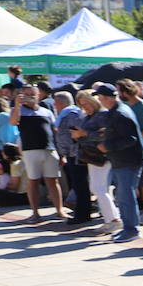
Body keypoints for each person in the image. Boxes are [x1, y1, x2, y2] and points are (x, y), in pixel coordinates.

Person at [93, 83, 143, 242]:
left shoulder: (120, 113)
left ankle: (131, 230)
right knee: (123, 195)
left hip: (128, 161)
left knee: (125, 196)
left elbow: (130, 139)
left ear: (107, 98)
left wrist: (107, 145)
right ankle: (128, 228)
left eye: (100, 98)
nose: (100, 101)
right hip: (122, 160)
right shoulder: (117, 111)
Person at [11, 83, 64, 222]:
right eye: (27, 94)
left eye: (33, 94)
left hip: (49, 149)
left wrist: (61, 153)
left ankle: (59, 210)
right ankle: (35, 212)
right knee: (33, 181)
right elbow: (13, 122)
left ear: (38, 95)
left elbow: (55, 131)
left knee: (53, 181)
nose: (30, 97)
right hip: (30, 150)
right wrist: (17, 105)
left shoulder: (46, 111)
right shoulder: (19, 110)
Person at [72, 90, 120, 229]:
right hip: (92, 156)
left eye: (87, 103)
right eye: (82, 104)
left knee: (99, 188)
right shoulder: (89, 116)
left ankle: (113, 219)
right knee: (99, 188)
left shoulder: (102, 115)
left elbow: (105, 135)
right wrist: (79, 135)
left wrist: (84, 133)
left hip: (101, 156)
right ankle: (110, 218)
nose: (85, 107)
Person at [118, 79, 143, 224]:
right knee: (134, 184)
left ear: (125, 91)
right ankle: (139, 209)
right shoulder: (126, 106)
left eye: (119, 91)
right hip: (131, 151)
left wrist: (133, 134)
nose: (117, 94)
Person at [52, 91, 90, 224]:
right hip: (72, 154)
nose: (54, 105)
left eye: (55, 102)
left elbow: (74, 133)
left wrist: (67, 150)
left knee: (80, 185)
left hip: (76, 154)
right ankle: (82, 212)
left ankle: (83, 214)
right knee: (78, 184)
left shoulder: (71, 114)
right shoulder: (67, 114)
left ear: (60, 103)